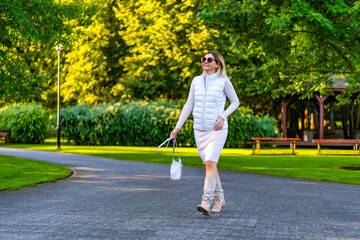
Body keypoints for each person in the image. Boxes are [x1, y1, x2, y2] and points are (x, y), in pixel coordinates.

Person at [170, 51, 240, 215]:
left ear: (218, 64)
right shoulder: (196, 81)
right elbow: (189, 105)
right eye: (204, 59)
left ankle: (205, 201)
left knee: (210, 163)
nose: (206, 62)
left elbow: (235, 101)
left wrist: (222, 116)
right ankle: (220, 199)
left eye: (210, 59)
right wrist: (177, 127)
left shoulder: (223, 82)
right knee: (210, 165)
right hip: (199, 130)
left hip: (216, 129)